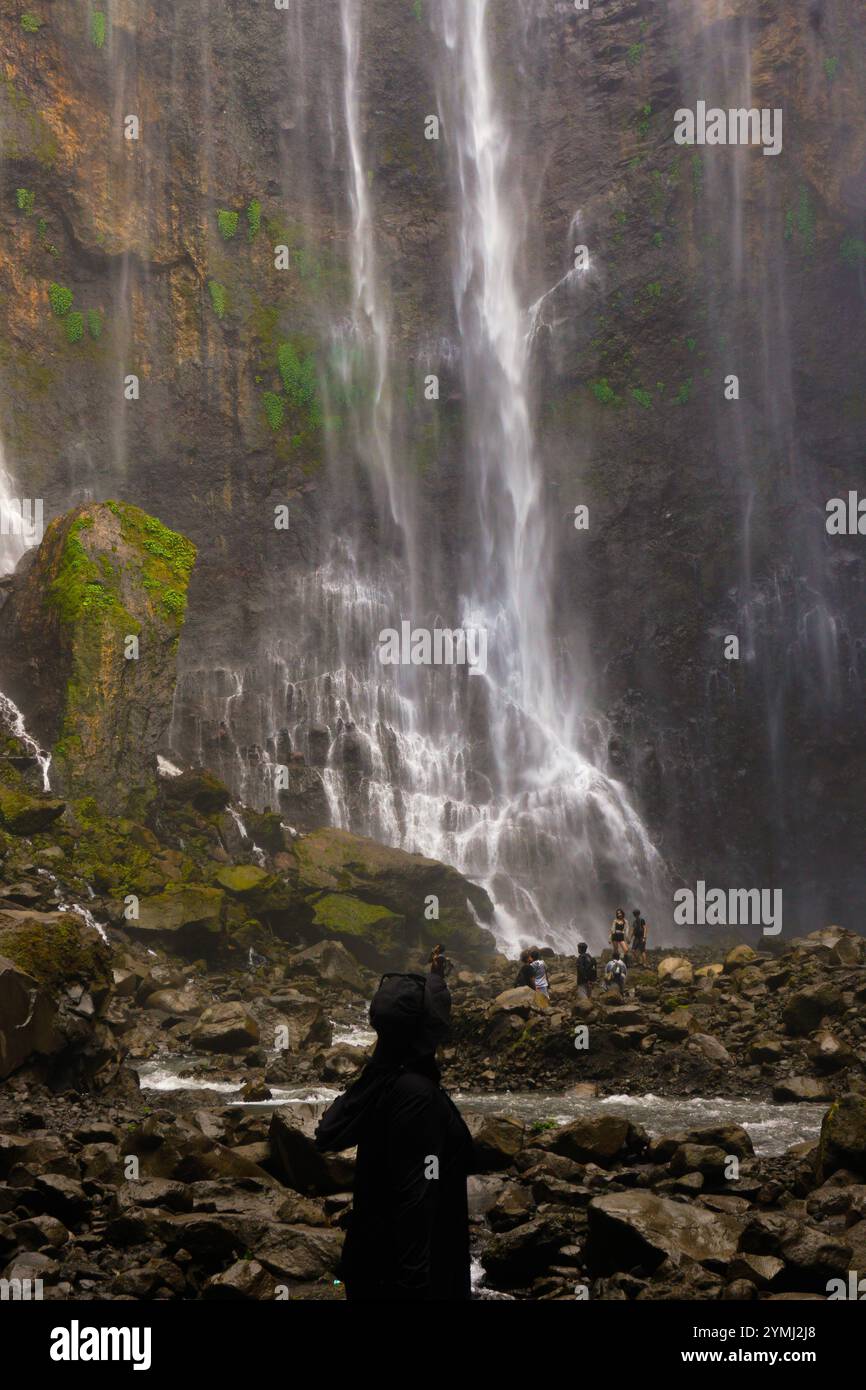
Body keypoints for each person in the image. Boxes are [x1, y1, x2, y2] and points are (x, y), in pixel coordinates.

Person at [315, 949, 473, 1301]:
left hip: (368, 1263)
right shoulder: (417, 1096)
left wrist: (435, 974)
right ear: (425, 1032)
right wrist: (414, 1288)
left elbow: (327, 1132)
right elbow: (414, 1199)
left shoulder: (380, 1079)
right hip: (406, 1279)